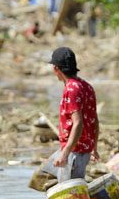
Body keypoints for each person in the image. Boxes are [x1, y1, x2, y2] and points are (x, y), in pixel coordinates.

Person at [41, 47, 99, 182]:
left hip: (74, 153)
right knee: (44, 177)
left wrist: (65, 154)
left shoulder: (72, 89)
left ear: (56, 68)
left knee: (70, 195)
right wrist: (93, 147)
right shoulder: (87, 86)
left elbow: (78, 123)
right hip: (81, 150)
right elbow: (94, 120)